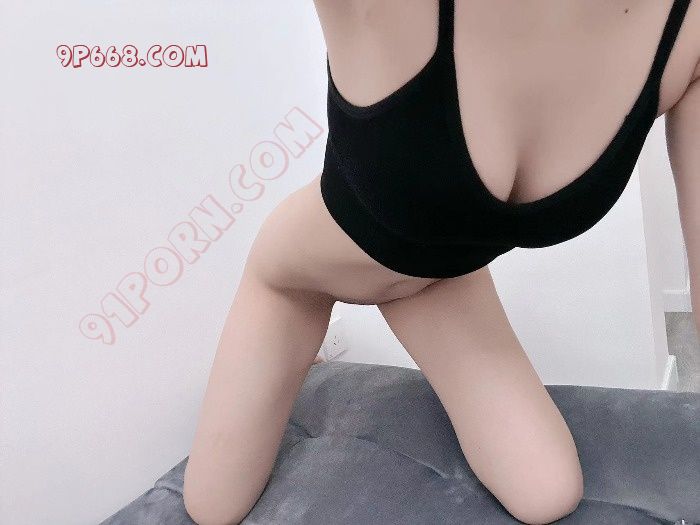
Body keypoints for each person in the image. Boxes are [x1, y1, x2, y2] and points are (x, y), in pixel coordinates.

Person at [183, 1, 700, 524]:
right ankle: (299, 327)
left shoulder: (690, 32)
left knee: (550, 495)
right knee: (211, 508)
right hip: (300, 274)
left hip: (440, 276)